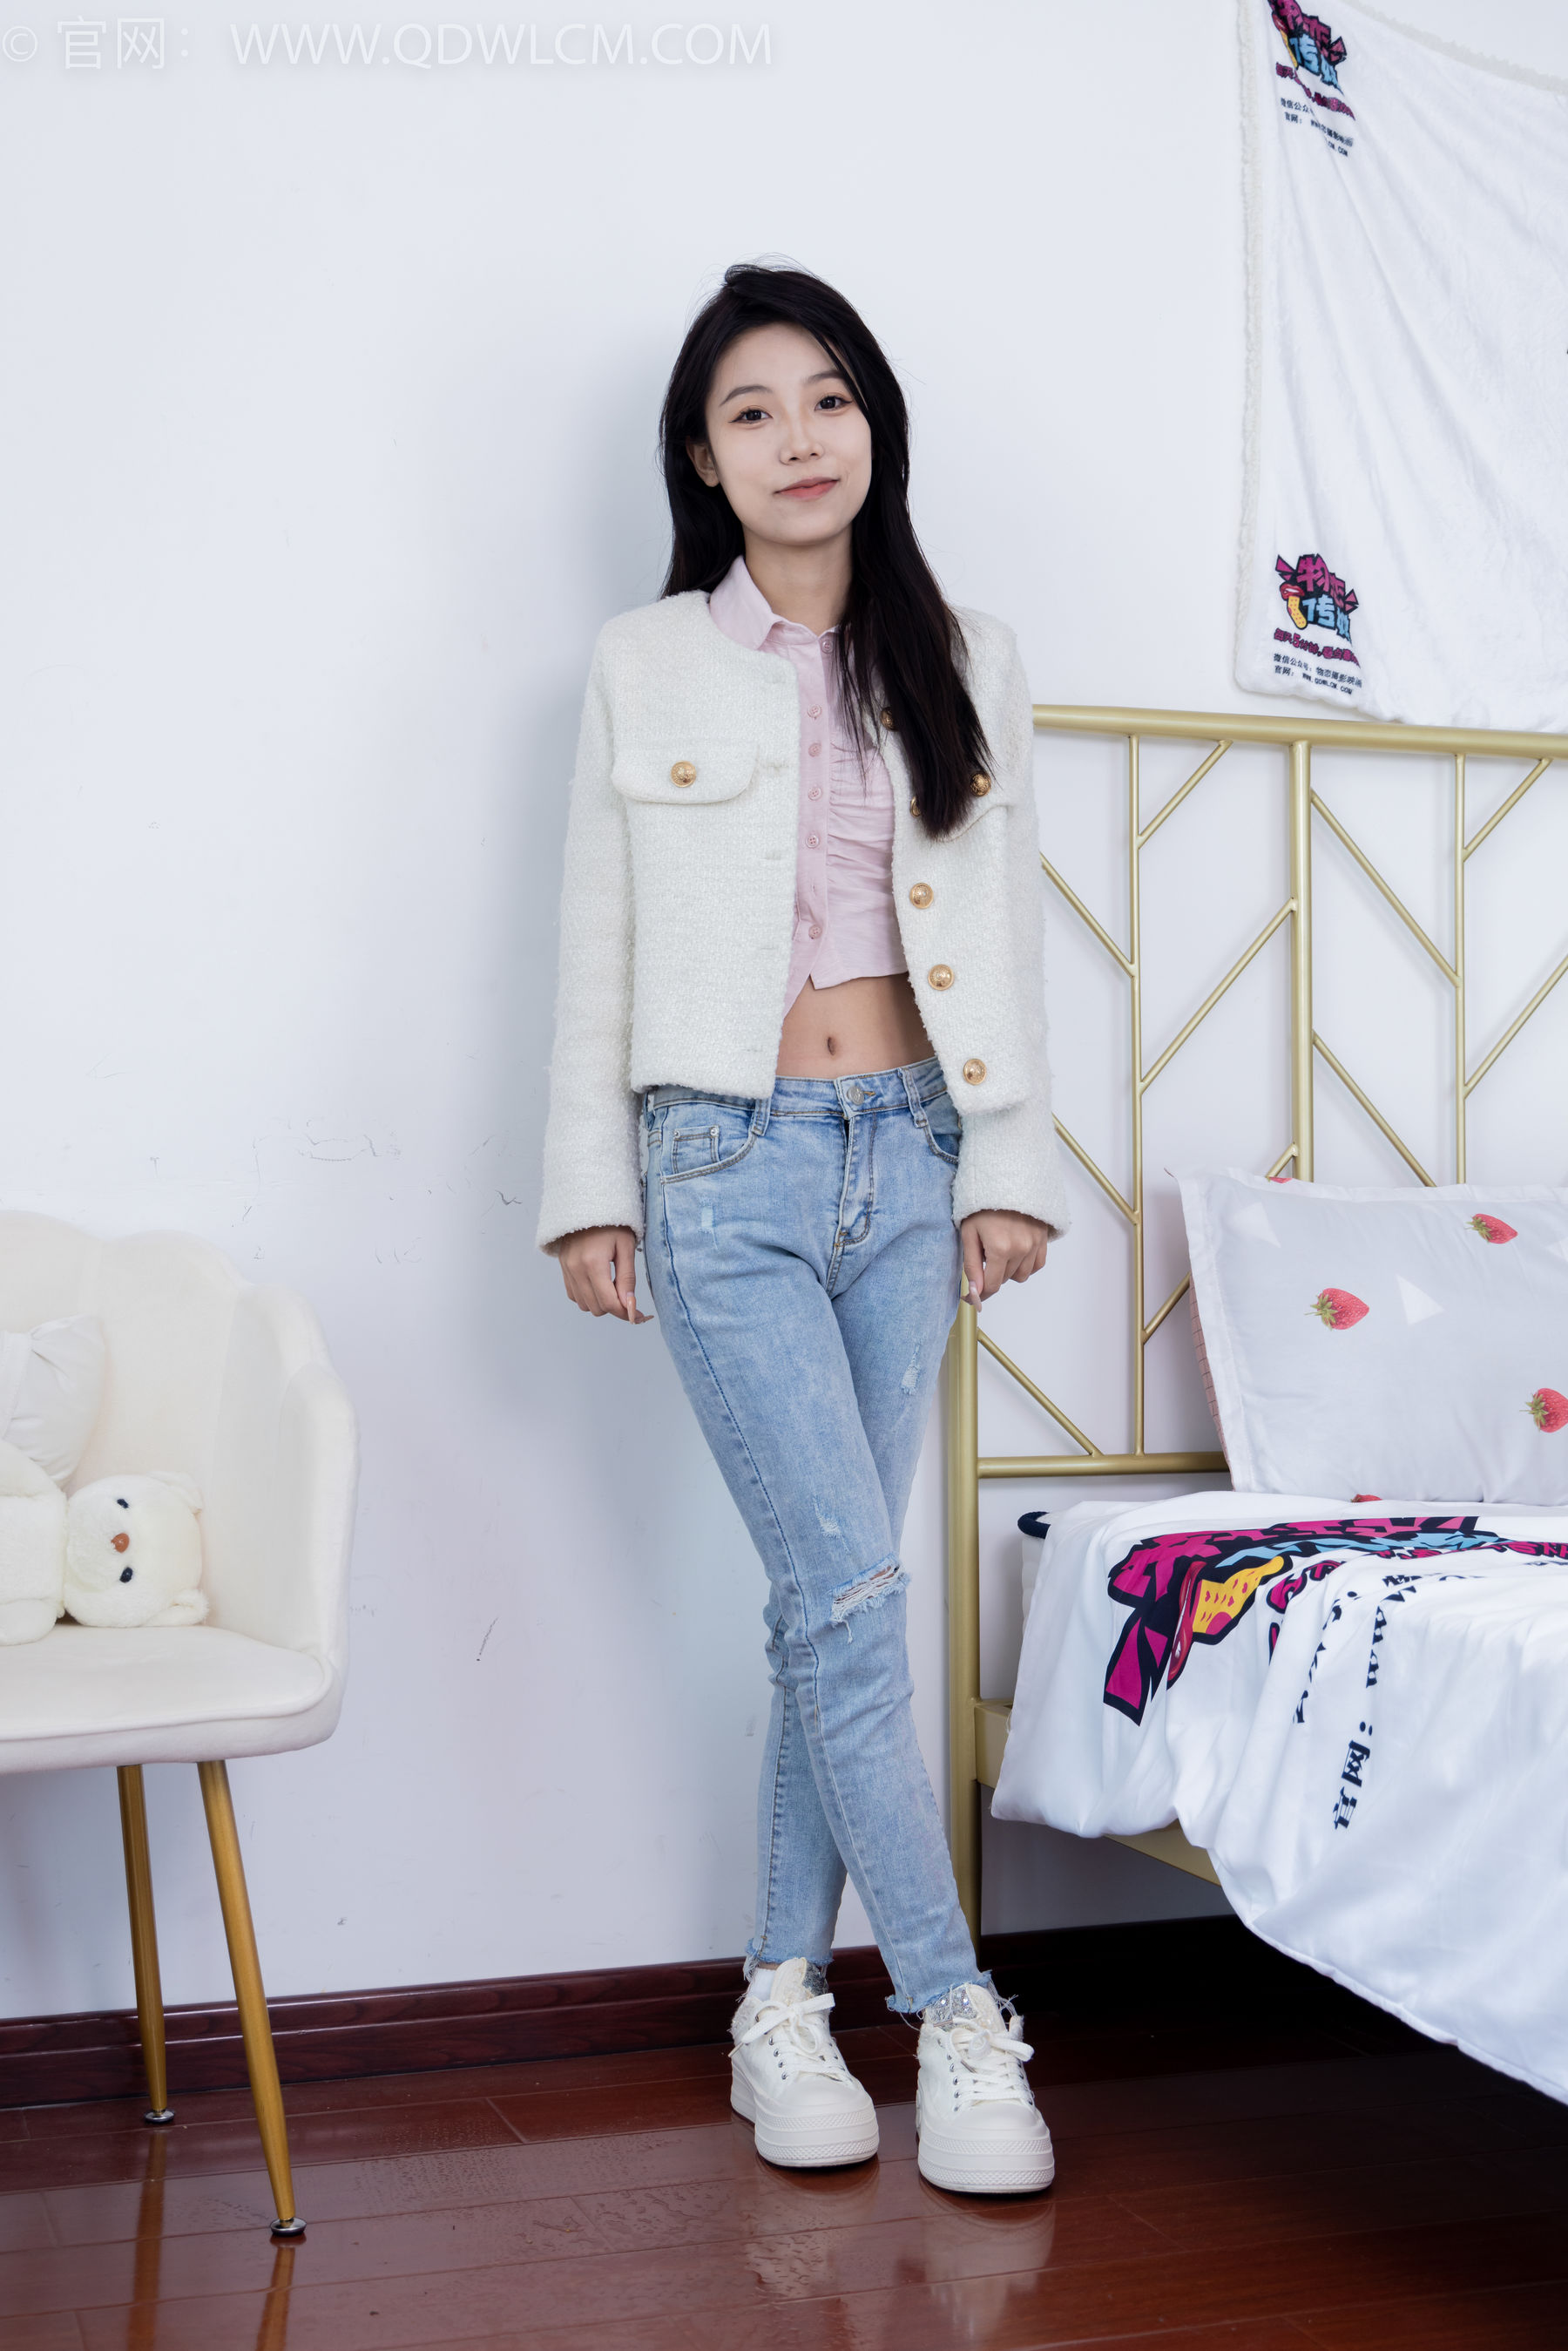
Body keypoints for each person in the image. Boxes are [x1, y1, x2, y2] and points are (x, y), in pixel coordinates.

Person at [537, 263, 1068, 2195]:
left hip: (913, 1157)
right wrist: (588, 1191)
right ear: (702, 457)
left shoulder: (968, 653)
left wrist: (1007, 1163)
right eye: (750, 411)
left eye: (827, 399)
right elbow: (596, 937)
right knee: (853, 1604)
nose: (796, 439)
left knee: (821, 1608)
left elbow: (1007, 925)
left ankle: (779, 1995)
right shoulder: (645, 659)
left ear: (875, 427)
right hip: (721, 1165)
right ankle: (953, 2008)